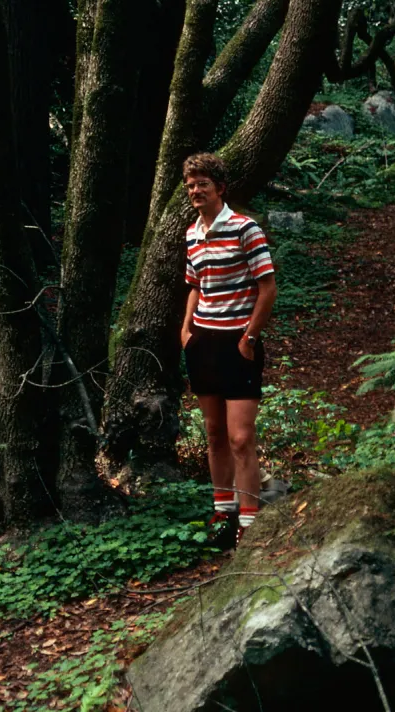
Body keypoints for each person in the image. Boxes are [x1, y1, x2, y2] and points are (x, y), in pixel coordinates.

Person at [180, 152, 277, 546]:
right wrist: (185, 330)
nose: (195, 191)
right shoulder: (192, 234)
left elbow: (267, 287)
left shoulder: (245, 229)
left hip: (239, 345)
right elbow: (195, 286)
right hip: (203, 344)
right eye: (190, 185)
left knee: (240, 438)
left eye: (202, 183)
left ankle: (250, 526)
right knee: (214, 434)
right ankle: (224, 515)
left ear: (220, 188)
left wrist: (249, 338)